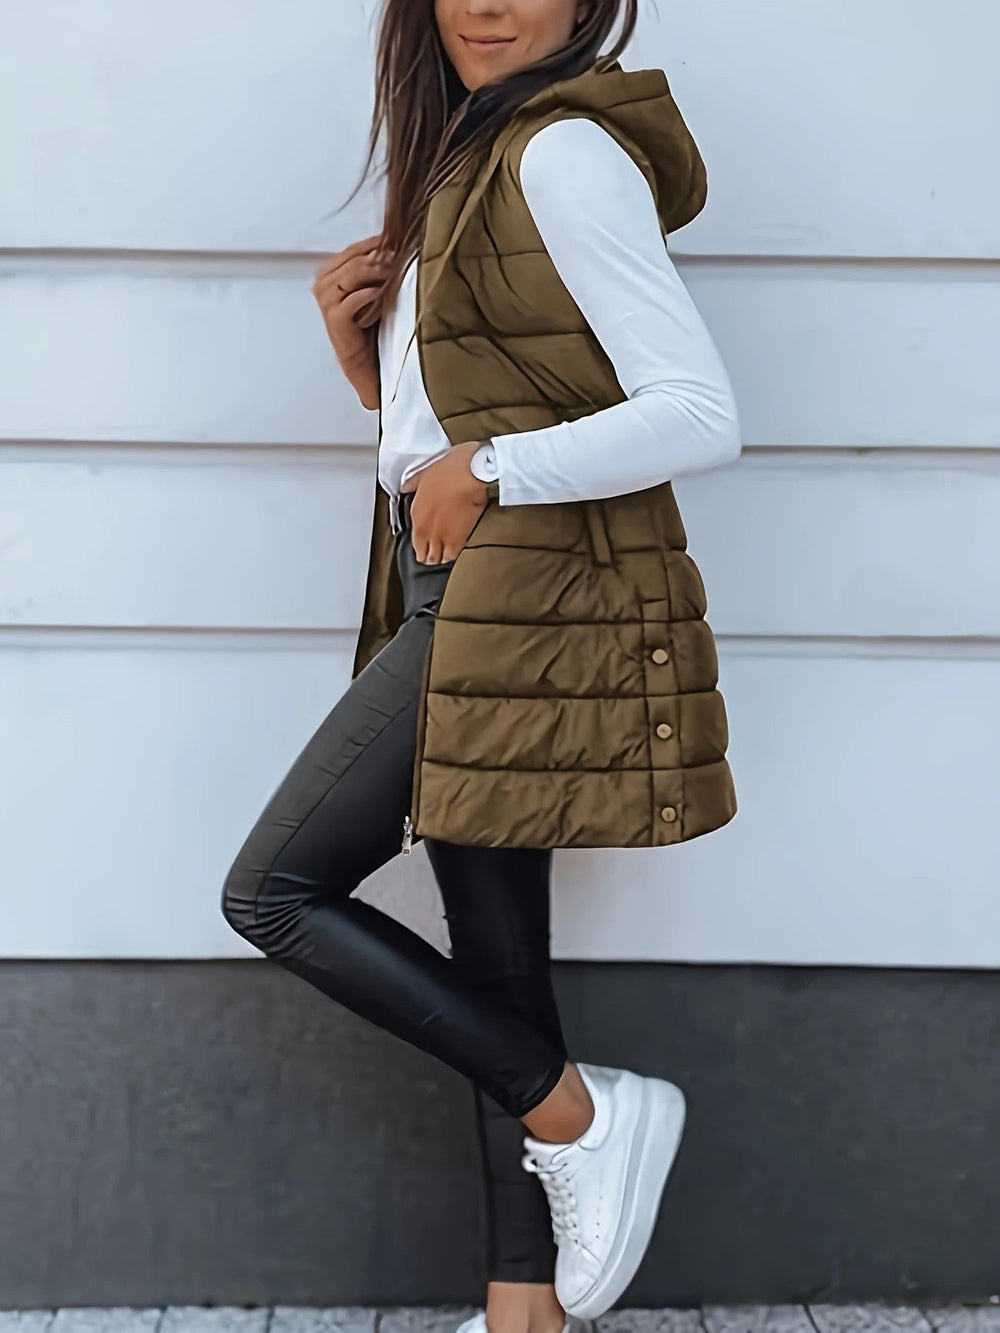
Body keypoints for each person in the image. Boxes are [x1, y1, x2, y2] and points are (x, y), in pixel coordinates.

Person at [222, 2, 742, 1331]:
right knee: (499, 963)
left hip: (513, 594)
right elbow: (462, 414)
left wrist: (493, 467)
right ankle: (525, 1312)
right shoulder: (474, 153)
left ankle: (583, 1115)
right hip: (462, 582)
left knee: (275, 890)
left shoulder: (560, 151)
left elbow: (698, 410)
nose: (490, 3)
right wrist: (369, 373)